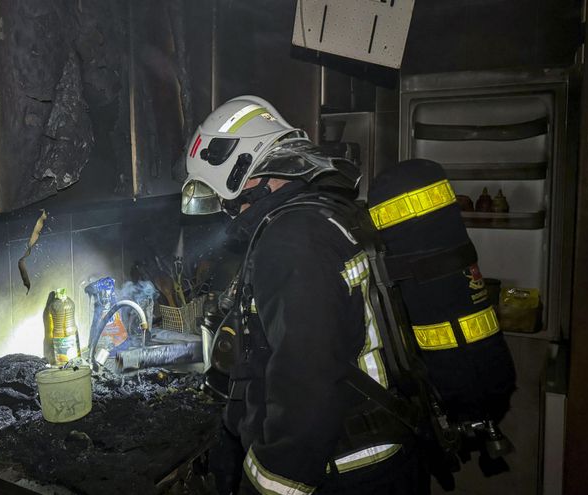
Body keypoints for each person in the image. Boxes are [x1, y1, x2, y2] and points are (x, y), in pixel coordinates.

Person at [182, 95, 429, 495]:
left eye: (228, 199)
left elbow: (305, 390)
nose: (230, 211)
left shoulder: (292, 241)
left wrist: (268, 487)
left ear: (247, 171)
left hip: (349, 470)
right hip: (377, 453)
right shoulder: (324, 214)